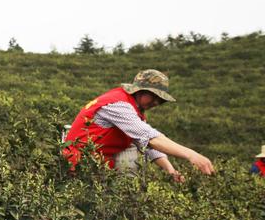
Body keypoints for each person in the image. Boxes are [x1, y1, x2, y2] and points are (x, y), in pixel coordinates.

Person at [63, 69, 215, 180]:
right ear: (140, 91)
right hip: (79, 165)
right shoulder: (118, 104)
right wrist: (191, 155)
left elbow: (147, 146)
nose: (156, 103)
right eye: (154, 97)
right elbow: (150, 137)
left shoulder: (135, 111)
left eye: (160, 100)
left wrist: (171, 171)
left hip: (97, 165)